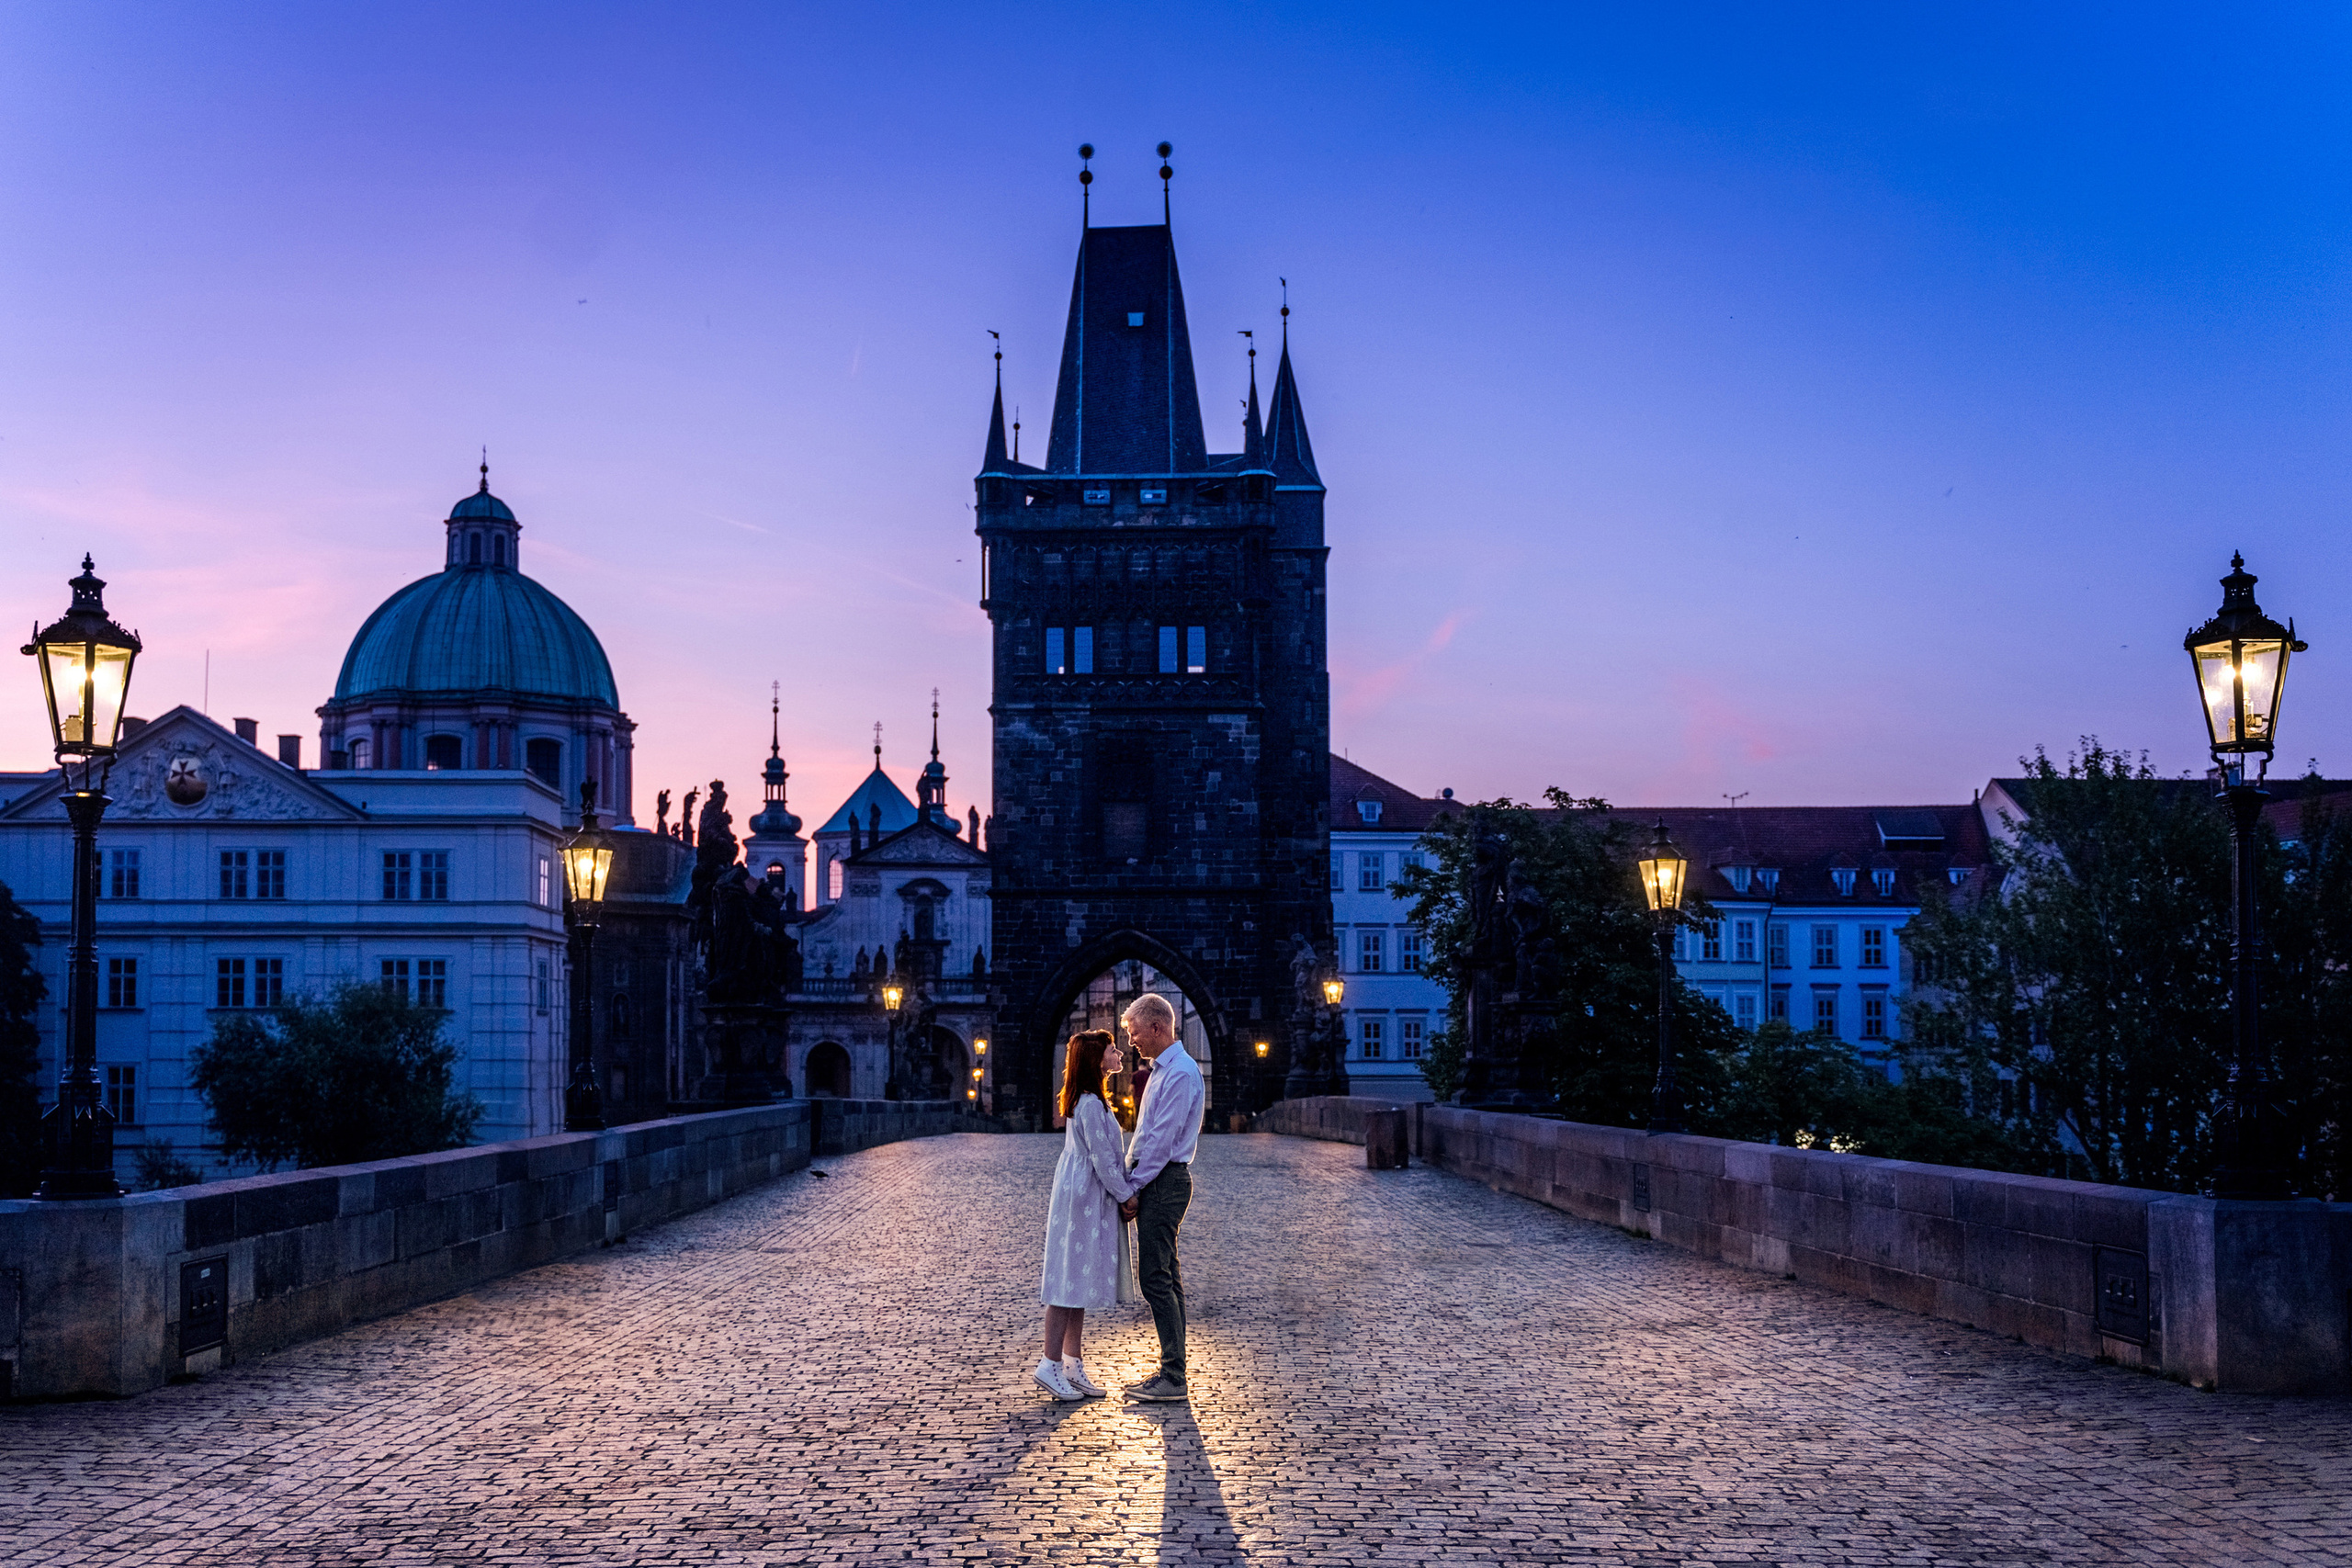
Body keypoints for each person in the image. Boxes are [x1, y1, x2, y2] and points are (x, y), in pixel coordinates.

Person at [1034, 1029, 1134, 1401]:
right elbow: (1102, 1158)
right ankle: (1049, 1363)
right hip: (1082, 1197)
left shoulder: (1094, 1101)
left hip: (1086, 1196)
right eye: (1112, 1049)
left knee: (1076, 1281)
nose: (1119, 1053)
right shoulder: (1090, 1105)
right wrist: (1126, 1195)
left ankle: (1072, 1363)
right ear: (1096, 1060)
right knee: (1065, 1281)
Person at [1117, 991, 1204, 1403]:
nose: (1131, 1040)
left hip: (1165, 1182)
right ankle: (1174, 1370)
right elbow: (1145, 1137)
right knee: (1168, 1277)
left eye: (1135, 1032)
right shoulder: (1161, 1070)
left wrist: (1134, 1188)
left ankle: (1173, 1376)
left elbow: (1161, 1142)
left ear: (1157, 1027)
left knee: (1154, 1277)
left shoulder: (1180, 1073)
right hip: (1159, 1179)